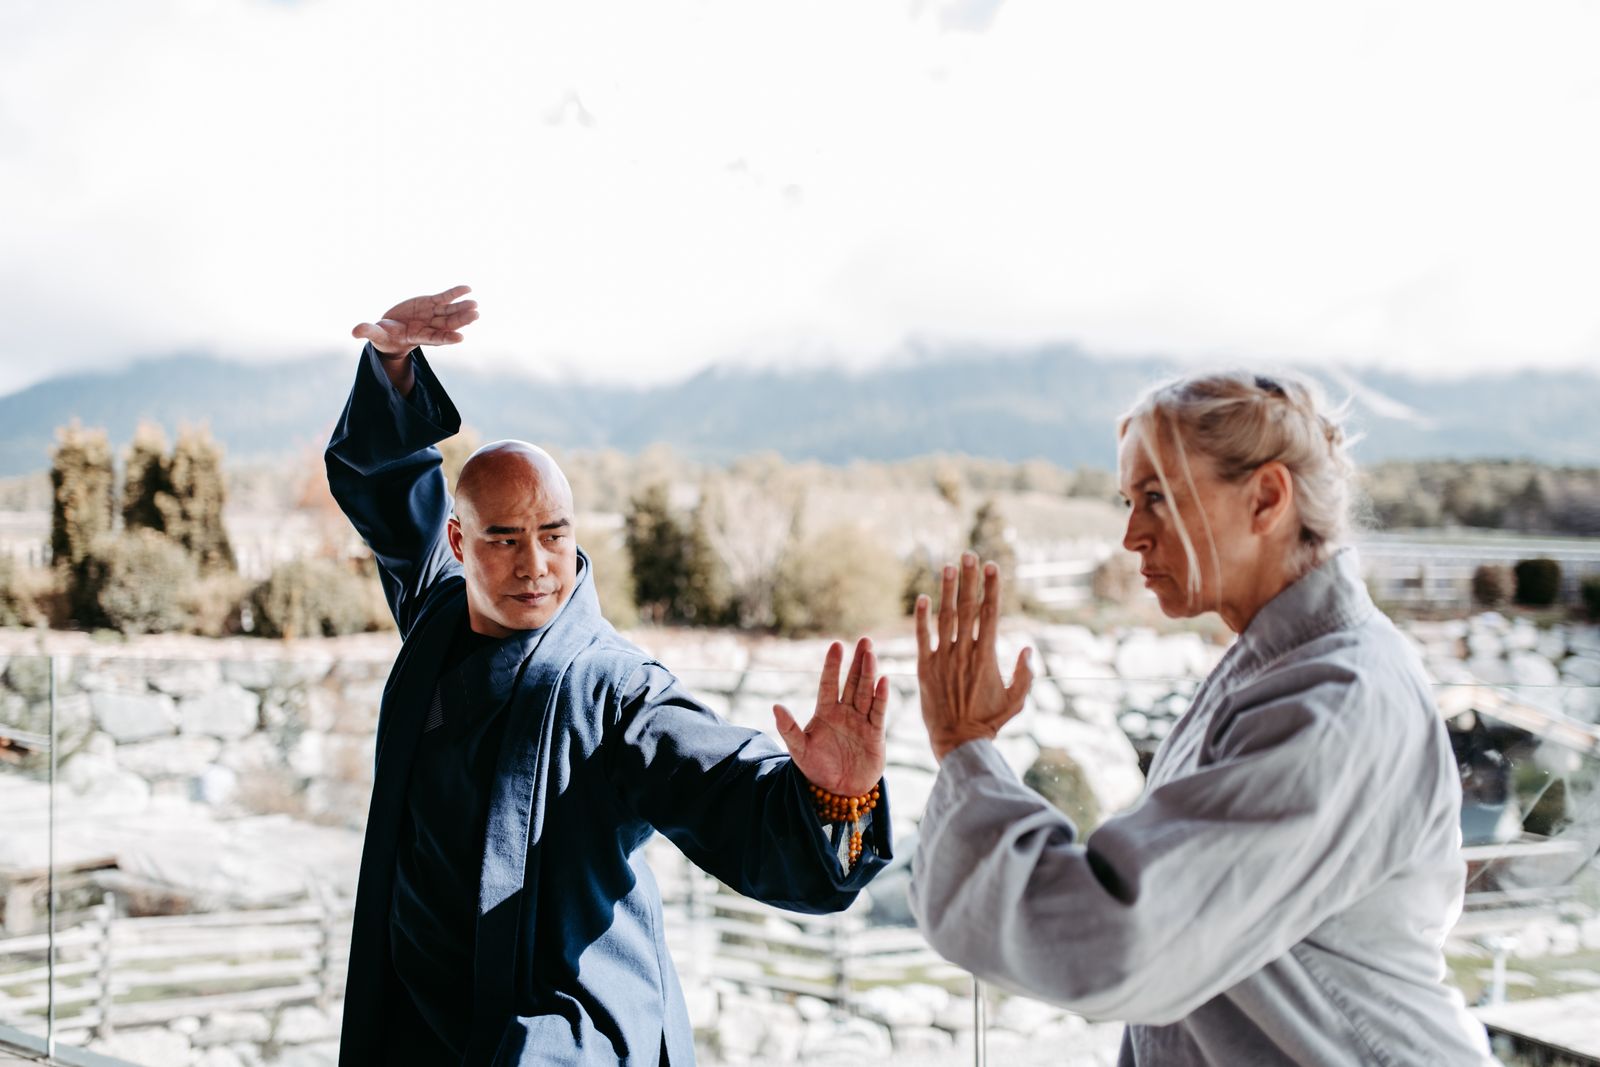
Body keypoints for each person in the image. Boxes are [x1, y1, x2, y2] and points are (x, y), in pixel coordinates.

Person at [327, 286, 892, 1066]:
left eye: (554, 534)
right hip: (422, 1030)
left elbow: (724, 789)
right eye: (504, 539)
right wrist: (393, 365)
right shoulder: (438, 614)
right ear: (459, 542)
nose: (534, 564)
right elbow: (391, 490)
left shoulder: (615, 687)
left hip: (562, 1036)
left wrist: (833, 798)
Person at [908, 371, 1498, 1065]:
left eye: (1157, 497)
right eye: (1128, 501)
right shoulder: (1282, 669)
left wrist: (965, 746)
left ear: (1266, 498)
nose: (1132, 536)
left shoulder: (1335, 700)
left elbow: (1120, 939)